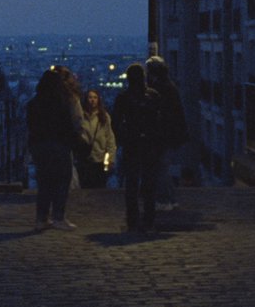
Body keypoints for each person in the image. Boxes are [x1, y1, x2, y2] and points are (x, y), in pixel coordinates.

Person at [26, 66, 89, 231]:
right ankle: (58, 217)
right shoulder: (64, 102)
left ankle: (41, 218)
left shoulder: (34, 103)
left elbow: (31, 126)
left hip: (39, 145)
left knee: (44, 182)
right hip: (59, 144)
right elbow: (71, 124)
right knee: (62, 181)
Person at [112, 62, 164, 234]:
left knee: (132, 184)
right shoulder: (153, 96)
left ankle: (133, 221)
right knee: (148, 184)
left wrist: (123, 138)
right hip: (148, 143)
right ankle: (148, 221)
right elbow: (160, 120)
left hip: (133, 143)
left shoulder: (123, 97)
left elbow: (116, 122)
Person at [145, 55, 188, 210]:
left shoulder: (161, 88)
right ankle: (169, 199)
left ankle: (164, 200)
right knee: (162, 167)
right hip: (170, 134)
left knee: (160, 167)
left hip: (164, 135)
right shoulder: (169, 86)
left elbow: (163, 113)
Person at [77, 88, 117, 189]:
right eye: (90, 97)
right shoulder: (80, 116)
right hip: (84, 158)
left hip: (99, 159)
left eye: (95, 97)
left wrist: (111, 158)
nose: (92, 100)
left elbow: (110, 138)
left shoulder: (104, 117)